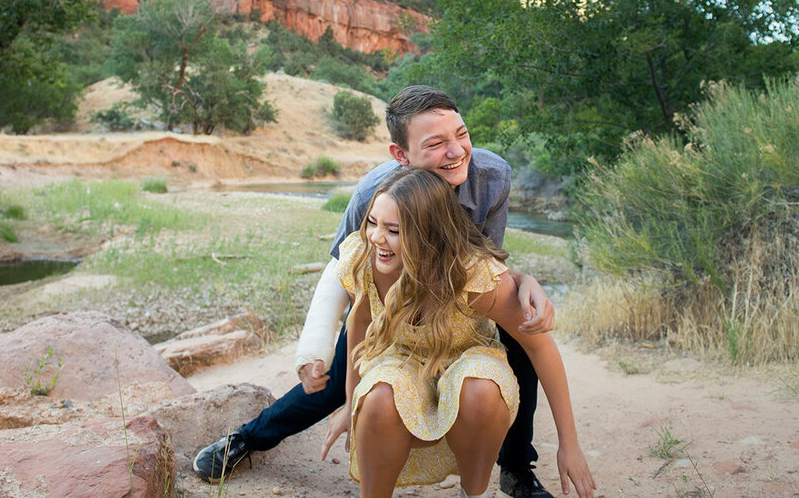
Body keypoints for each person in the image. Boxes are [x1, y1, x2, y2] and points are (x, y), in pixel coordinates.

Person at [193, 86, 561, 498]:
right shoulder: (375, 194)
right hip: (392, 298)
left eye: (461, 134)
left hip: (456, 302)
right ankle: (247, 439)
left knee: (519, 337)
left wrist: (526, 283)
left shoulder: (491, 177)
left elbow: (489, 259)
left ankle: (516, 469)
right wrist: (313, 348)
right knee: (331, 380)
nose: (456, 151)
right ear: (400, 156)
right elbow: (341, 269)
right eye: (436, 144)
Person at [320, 166, 595, 498]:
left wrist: (570, 444)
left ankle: (474, 492)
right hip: (404, 361)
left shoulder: (471, 272)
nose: (377, 237)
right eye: (373, 223)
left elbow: (540, 347)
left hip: (469, 359)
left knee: (478, 387)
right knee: (378, 397)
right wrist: (351, 403)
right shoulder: (366, 257)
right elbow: (359, 324)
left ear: (427, 233)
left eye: (393, 229)